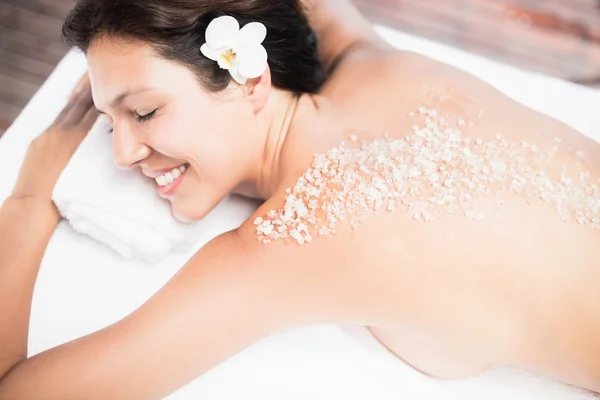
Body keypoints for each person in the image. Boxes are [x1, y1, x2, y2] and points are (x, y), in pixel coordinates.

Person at [0, 0, 598, 398]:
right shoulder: (379, 64)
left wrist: (28, 201)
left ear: (252, 78)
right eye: (110, 122)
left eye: (144, 111)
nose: (122, 153)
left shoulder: (294, 244)